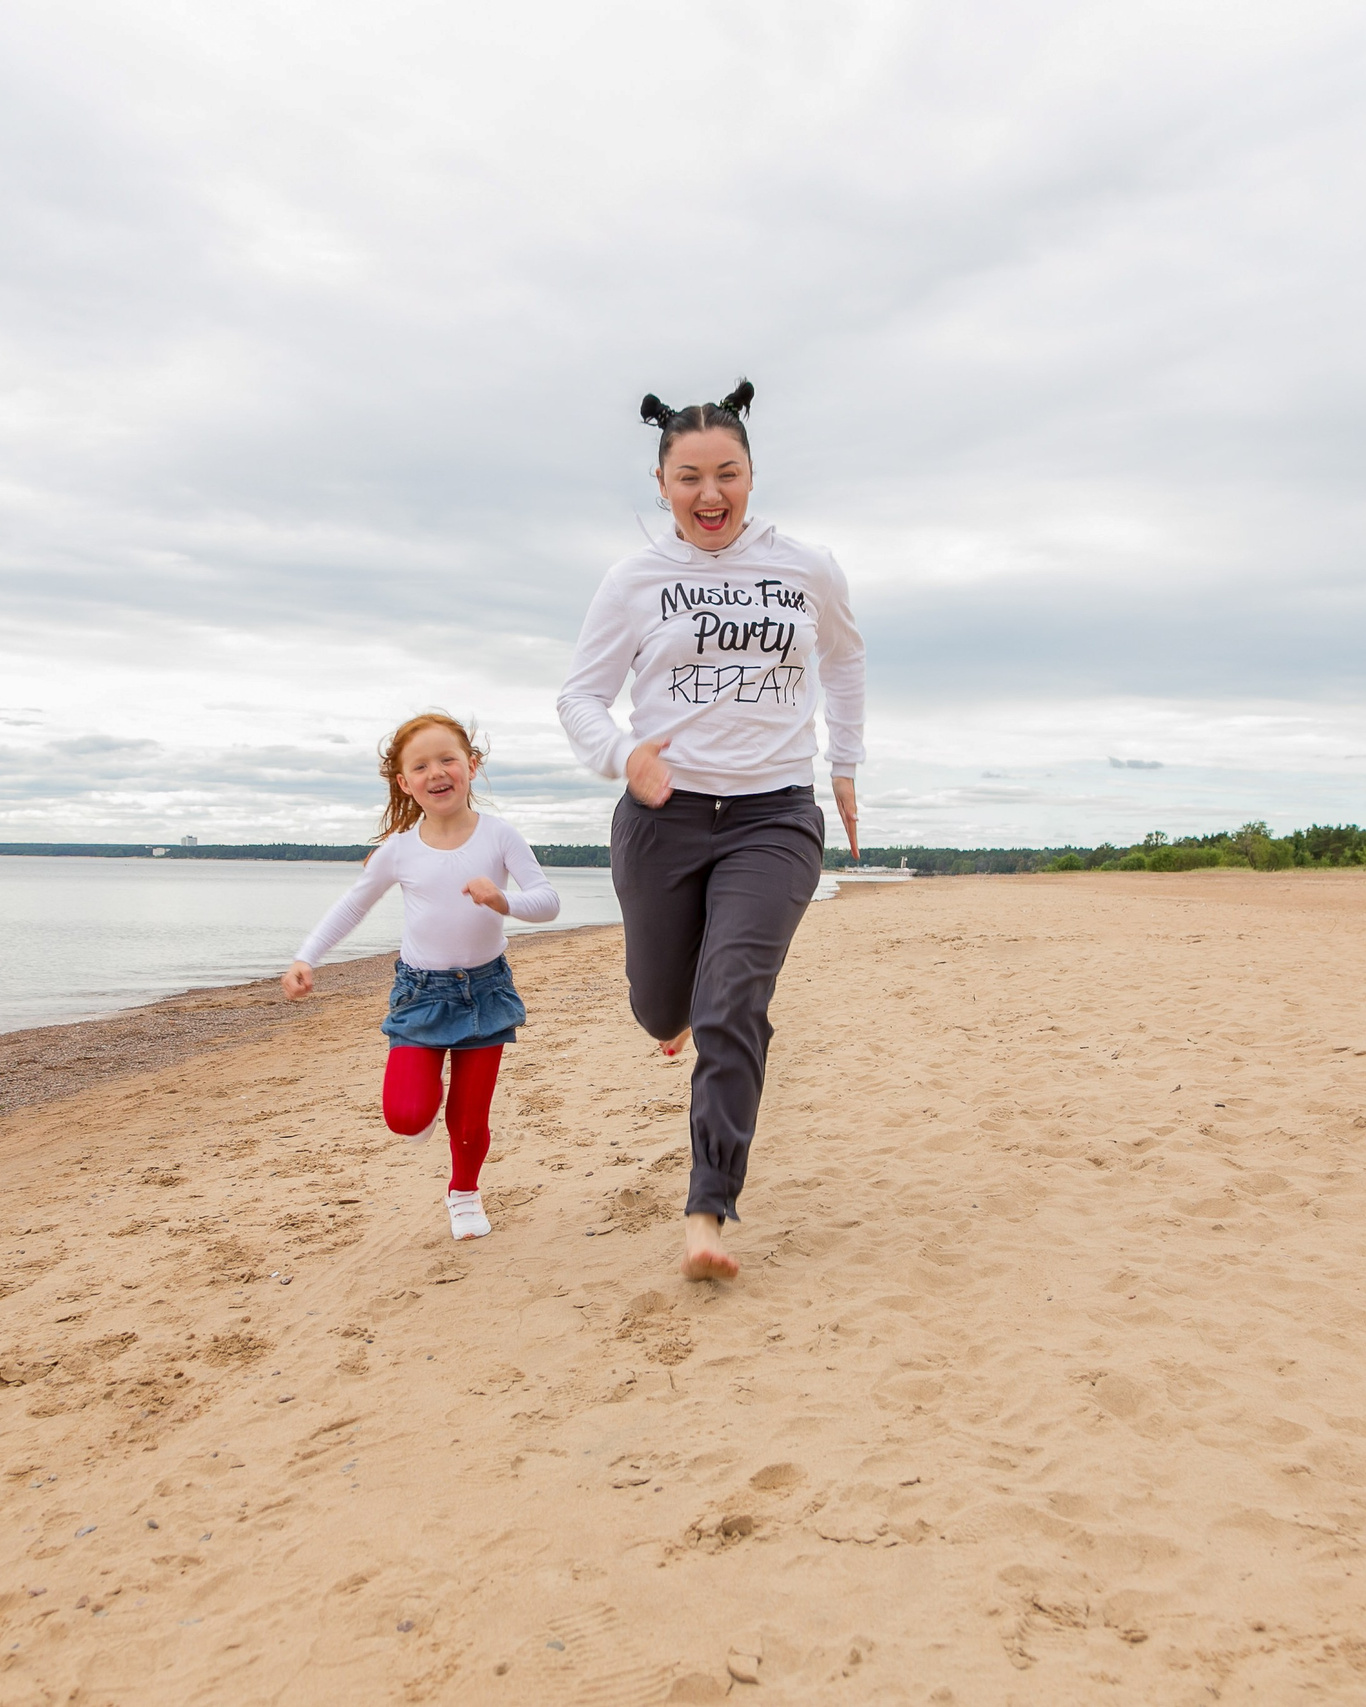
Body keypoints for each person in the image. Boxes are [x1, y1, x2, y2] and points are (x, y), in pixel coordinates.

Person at [557, 380, 865, 1281]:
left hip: (774, 814)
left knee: (734, 999)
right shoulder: (635, 580)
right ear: (662, 483)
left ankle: (707, 1210)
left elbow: (844, 664)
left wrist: (842, 764)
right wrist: (623, 756)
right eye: (689, 476)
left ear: (751, 476)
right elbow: (579, 696)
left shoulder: (808, 567)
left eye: (726, 473)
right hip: (665, 815)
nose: (709, 493)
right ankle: (678, 1007)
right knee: (663, 1004)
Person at [281, 713, 560, 1241]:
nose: (438, 772)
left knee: (469, 1118)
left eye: (448, 759)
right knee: (407, 1118)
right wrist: (306, 957)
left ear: (472, 767)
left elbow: (547, 901)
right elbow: (352, 905)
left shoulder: (500, 836)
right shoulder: (400, 850)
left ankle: (464, 1193)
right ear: (405, 783)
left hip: (484, 990)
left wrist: (504, 900)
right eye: (421, 765)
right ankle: (423, 1101)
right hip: (420, 994)